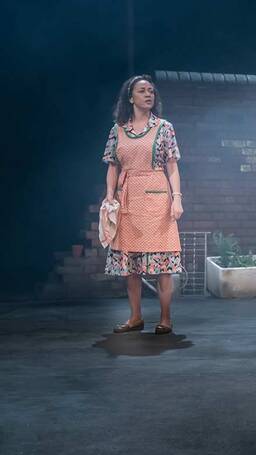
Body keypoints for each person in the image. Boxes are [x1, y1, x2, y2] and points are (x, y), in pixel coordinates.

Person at [102, 75, 184, 335]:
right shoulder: (118, 130)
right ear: (130, 97)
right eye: (142, 91)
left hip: (157, 196)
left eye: (151, 91)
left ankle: (166, 318)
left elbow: (172, 166)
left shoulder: (164, 127)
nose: (148, 95)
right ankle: (135, 317)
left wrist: (177, 198)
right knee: (131, 266)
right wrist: (109, 196)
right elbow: (112, 166)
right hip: (128, 198)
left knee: (162, 264)